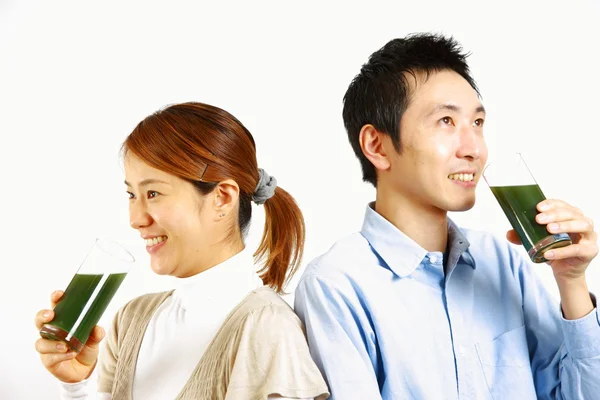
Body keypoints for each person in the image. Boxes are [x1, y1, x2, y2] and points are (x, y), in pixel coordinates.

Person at [294, 33, 599, 399]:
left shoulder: (502, 261)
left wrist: (572, 282)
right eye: (445, 122)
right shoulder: (336, 286)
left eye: (477, 123)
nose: (474, 149)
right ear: (377, 145)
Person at [34, 102, 329, 400]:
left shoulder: (267, 329)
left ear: (222, 199)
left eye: (153, 193)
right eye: (131, 194)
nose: (136, 219)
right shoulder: (131, 320)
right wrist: (76, 386)